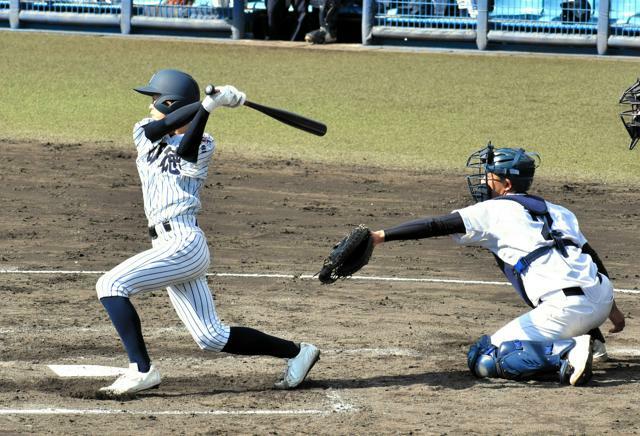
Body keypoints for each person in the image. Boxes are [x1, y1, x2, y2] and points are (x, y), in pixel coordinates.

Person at [96, 69, 320, 397]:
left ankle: (141, 370)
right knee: (211, 337)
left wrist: (208, 109)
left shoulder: (205, 143)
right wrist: (208, 103)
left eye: (154, 100)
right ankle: (298, 352)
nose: (149, 106)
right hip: (168, 244)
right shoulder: (143, 132)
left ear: (170, 102)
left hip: (184, 242)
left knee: (110, 284)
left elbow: (186, 150)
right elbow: (164, 125)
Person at [367, 143, 625, 386]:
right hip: (601, 297)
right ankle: (591, 339)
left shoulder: (493, 210)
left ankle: (566, 353)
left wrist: (381, 236)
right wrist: (612, 311)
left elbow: (436, 225)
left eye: (489, 176)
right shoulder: (559, 211)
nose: (482, 182)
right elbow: (592, 258)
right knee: (557, 270)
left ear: (507, 184)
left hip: (567, 310)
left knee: (483, 358)